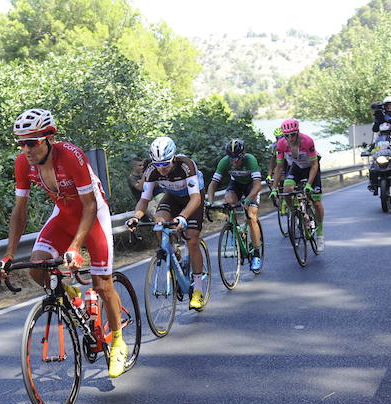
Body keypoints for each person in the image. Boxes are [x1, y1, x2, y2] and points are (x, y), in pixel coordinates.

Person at [0, 108, 128, 378]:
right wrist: (8, 255)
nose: (26, 149)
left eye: (31, 142)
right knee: (36, 268)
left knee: (102, 284)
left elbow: (89, 206)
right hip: (64, 215)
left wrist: (75, 248)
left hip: (93, 216)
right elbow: (20, 211)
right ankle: (72, 296)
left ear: (47, 138)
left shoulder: (70, 156)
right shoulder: (23, 164)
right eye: (21, 143)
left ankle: (118, 343)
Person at [125, 136, 207, 310]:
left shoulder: (186, 165)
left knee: (192, 239)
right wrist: (135, 217)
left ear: (173, 158)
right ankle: (174, 255)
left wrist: (183, 217)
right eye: (158, 164)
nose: (161, 169)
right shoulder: (152, 170)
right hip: (173, 196)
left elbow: (195, 198)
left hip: (193, 198)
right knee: (159, 222)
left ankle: (198, 290)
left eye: (165, 164)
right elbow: (144, 200)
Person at [206, 138, 263, 272]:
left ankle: (256, 253)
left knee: (251, 215)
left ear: (243, 155)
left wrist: (248, 200)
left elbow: (258, 185)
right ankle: (235, 230)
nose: (234, 162)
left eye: (237, 158)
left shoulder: (250, 160)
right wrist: (209, 201)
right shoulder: (224, 162)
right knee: (228, 201)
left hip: (251, 186)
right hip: (236, 184)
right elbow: (213, 184)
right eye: (231, 159)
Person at [270, 118, 326, 250]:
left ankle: (320, 234)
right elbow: (279, 167)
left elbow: (314, 165)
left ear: (298, 132)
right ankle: (295, 213)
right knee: (287, 190)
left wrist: (308, 184)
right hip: (296, 167)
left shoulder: (307, 141)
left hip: (311, 167)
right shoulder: (281, 144)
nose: (290, 138)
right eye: (286, 135)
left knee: (316, 202)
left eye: (293, 134)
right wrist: (274, 188)